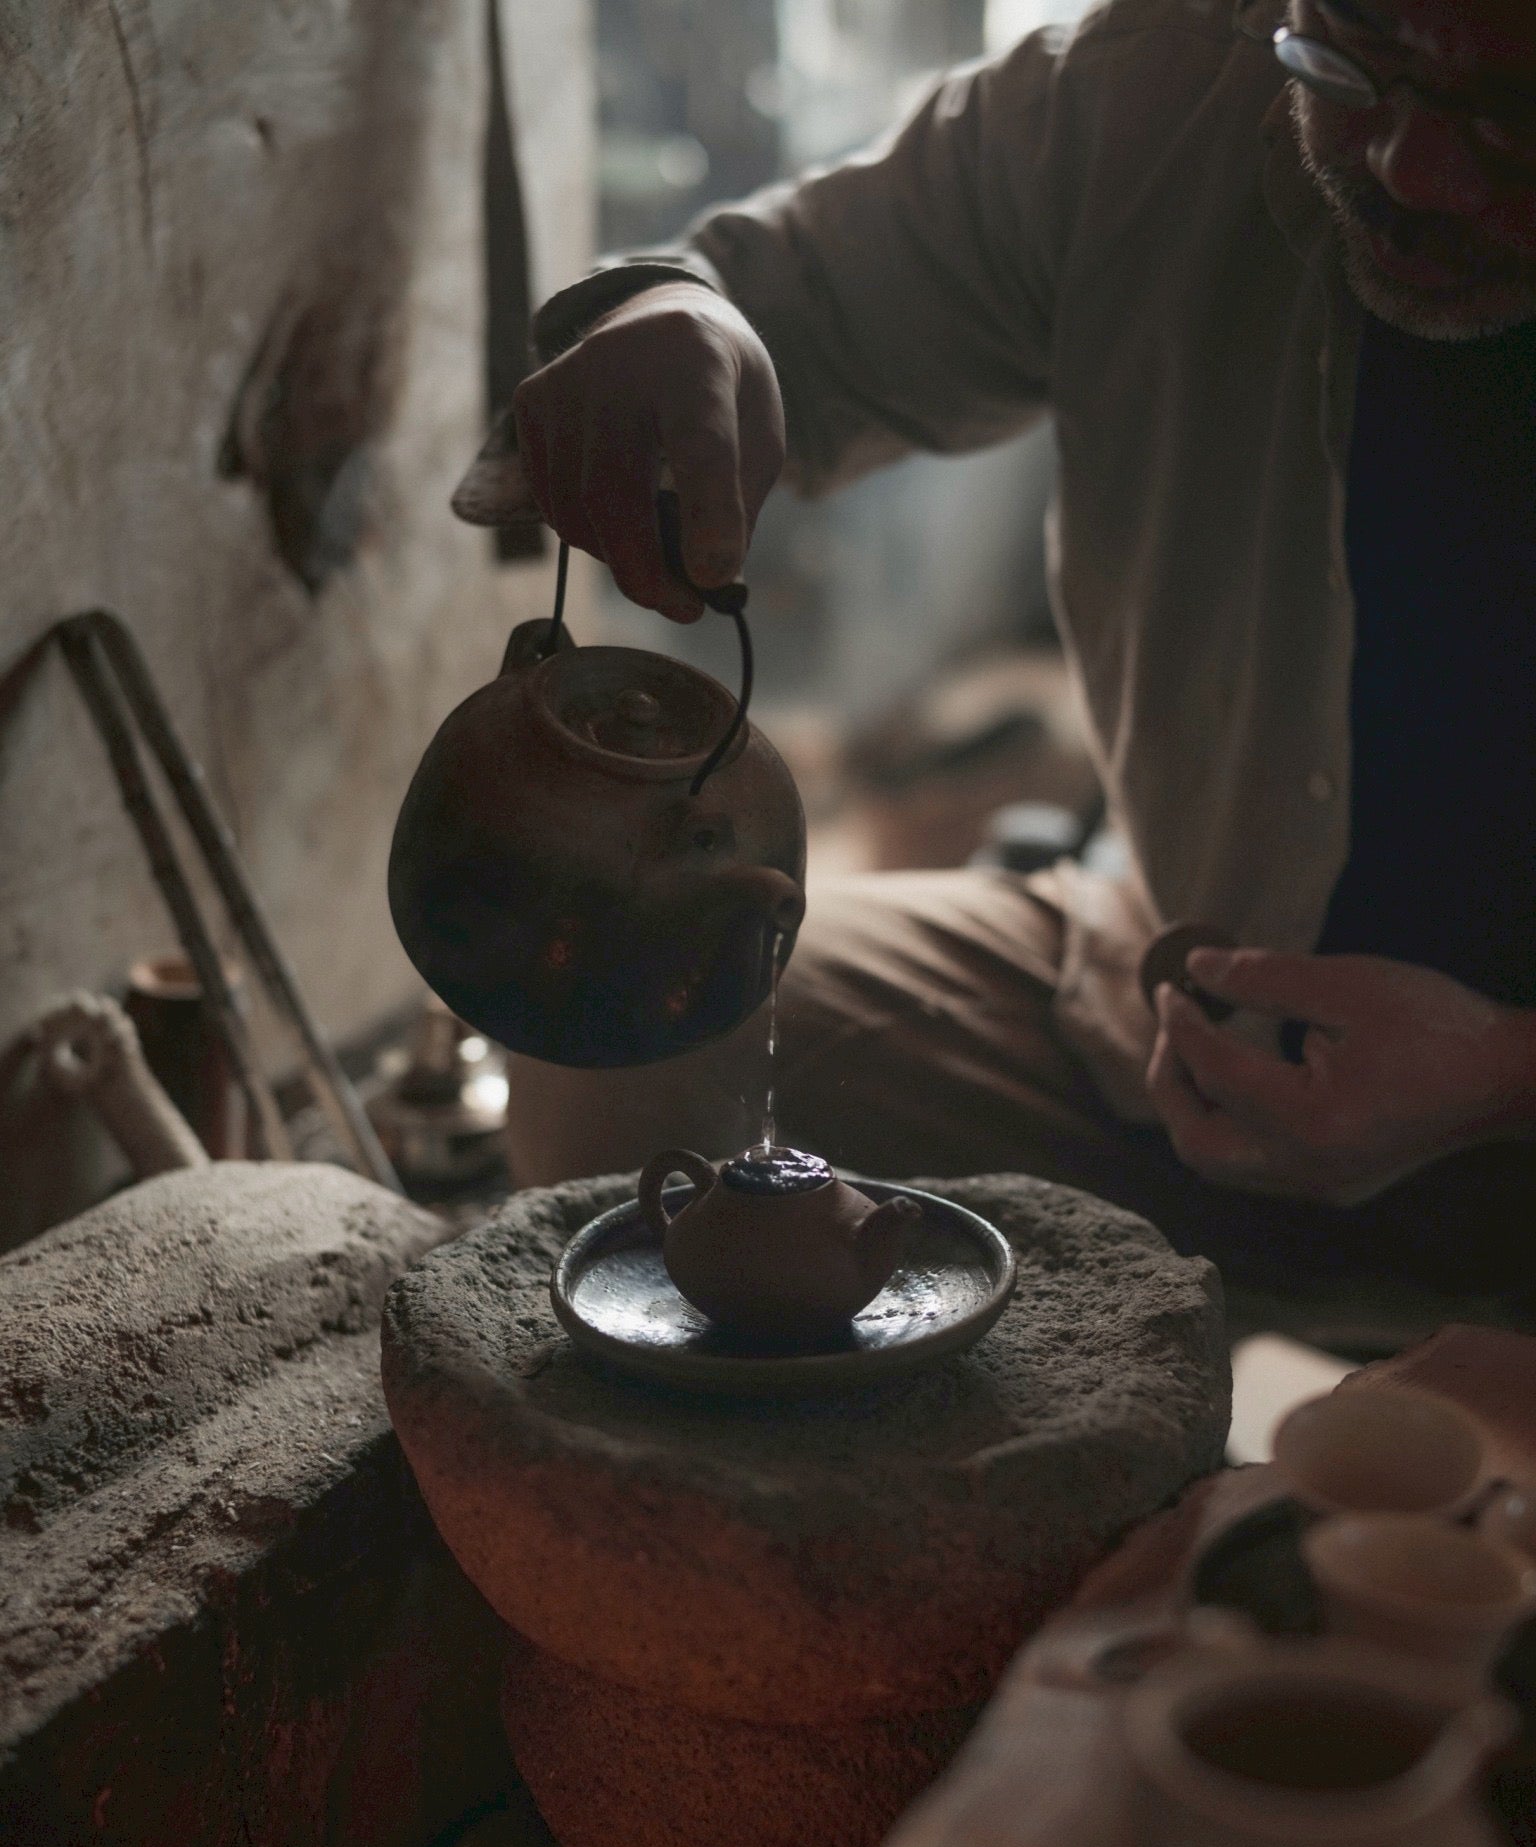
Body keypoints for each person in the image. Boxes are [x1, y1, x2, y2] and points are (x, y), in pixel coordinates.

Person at [499, 0, 1536, 1307]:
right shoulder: (1162, 91)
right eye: (1358, 63)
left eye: (1511, 117)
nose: (1411, 168)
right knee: (637, 1014)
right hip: (1150, 1018)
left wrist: (1504, 1074)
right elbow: (772, 304)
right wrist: (670, 317)